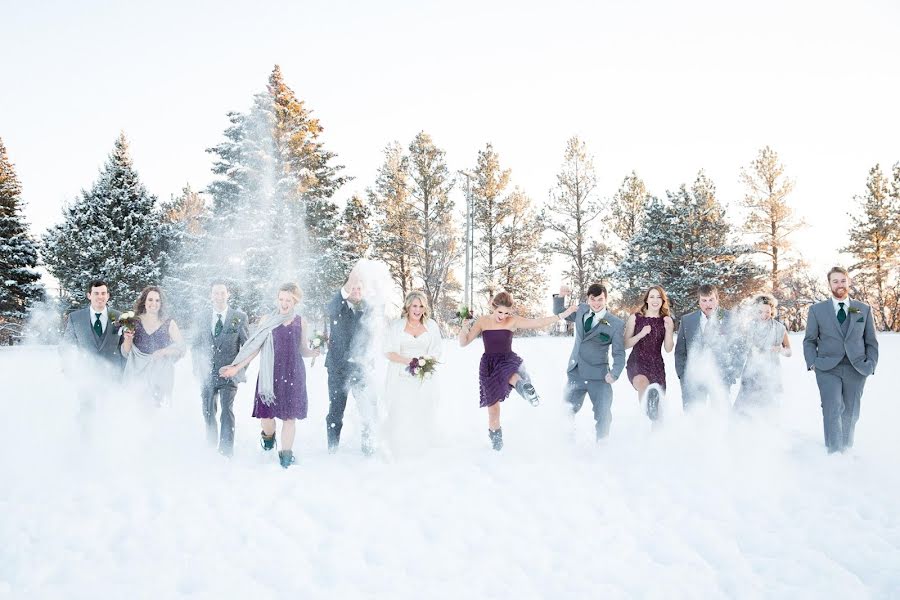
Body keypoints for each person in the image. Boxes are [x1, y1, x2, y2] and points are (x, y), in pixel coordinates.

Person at [459, 291, 577, 450]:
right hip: (488, 365)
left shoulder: (512, 321)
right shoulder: (482, 321)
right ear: (493, 307)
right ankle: (497, 445)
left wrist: (563, 314)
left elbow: (538, 322)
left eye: (507, 313)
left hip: (507, 360)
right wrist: (464, 327)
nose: (503, 316)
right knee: (493, 411)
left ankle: (526, 389)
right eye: (500, 312)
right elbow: (463, 342)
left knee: (511, 374)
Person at [219, 283, 319, 468]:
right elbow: (254, 346)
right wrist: (236, 367)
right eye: (281, 299)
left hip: (294, 373)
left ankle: (286, 457)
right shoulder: (268, 320)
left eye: (288, 300)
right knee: (267, 419)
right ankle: (268, 436)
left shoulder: (301, 322)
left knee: (290, 418)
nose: (284, 303)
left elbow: (302, 349)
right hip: (270, 374)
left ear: (295, 301)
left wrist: (312, 353)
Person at [803, 267, 879, 453]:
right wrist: (813, 362)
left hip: (857, 367)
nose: (839, 284)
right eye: (835, 281)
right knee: (833, 407)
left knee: (851, 411)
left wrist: (870, 365)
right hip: (827, 367)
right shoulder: (817, 310)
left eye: (843, 280)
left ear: (848, 282)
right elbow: (809, 341)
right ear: (829, 284)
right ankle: (834, 451)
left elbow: (871, 341)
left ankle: (846, 450)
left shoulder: (862, 309)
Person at [553, 283, 626, 441]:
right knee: (567, 411)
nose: (596, 303)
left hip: (599, 376)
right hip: (576, 371)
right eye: (593, 299)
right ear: (588, 299)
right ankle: (566, 443)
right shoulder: (580, 310)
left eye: (600, 299)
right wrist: (561, 296)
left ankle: (602, 445)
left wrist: (615, 373)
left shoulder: (616, 324)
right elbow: (559, 312)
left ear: (606, 299)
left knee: (603, 414)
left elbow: (619, 353)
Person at [381, 290, 443, 459]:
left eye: (421, 306)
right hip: (401, 375)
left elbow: (437, 350)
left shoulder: (431, 326)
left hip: (424, 376)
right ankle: (400, 447)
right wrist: (409, 361)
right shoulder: (397, 326)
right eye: (414, 306)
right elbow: (387, 352)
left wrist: (425, 362)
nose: (417, 309)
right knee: (402, 411)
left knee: (423, 409)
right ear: (408, 306)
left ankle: (421, 448)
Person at [191, 281, 249, 457]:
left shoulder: (239, 318)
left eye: (222, 293)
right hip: (206, 372)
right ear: (211, 295)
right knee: (208, 410)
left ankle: (226, 451)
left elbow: (247, 347)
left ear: (228, 294)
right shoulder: (201, 317)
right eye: (215, 293)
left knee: (226, 410)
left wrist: (237, 370)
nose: (219, 296)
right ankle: (210, 445)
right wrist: (197, 368)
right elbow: (195, 345)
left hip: (228, 374)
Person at [325, 268, 379, 455]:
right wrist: (352, 279)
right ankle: (333, 448)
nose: (356, 291)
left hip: (361, 368)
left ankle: (368, 448)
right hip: (338, 368)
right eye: (353, 288)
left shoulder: (368, 311)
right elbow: (333, 305)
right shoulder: (337, 306)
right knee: (336, 410)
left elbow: (375, 334)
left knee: (367, 408)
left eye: (359, 288)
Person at [60, 279, 124, 428]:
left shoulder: (119, 317)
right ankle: (86, 447)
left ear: (108, 296)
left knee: (112, 417)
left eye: (103, 293)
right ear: (89, 295)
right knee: (87, 417)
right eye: (96, 293)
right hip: (86, 377)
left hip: (113, 377)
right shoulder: (75, 318)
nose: (100, 297)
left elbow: (124, 348)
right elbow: (66, 346)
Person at [673, 284, 736, 411]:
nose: (708, 304)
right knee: (694, 416)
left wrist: (731, 374)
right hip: (693, 377)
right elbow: (680, 351)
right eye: (704, 300)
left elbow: (739, 347)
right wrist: (683, 376)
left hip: (720, 377)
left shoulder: (729, 318)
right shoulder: (687, 320)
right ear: (699, 301)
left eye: (711, 299)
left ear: (717, 299)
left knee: (721, 416)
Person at [121, 286, 185, 407]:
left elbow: (182, 349)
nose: (153, 304)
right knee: (137, 412)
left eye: (157, 300)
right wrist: (128, 339)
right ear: (144, 301)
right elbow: (125, 353)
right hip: (137, 376)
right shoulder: (134, 321)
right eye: (150, 300)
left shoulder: (169, 323)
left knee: (157, 413)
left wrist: (164, 352)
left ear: (161, 303)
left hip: (160, 376)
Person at [733, 294, 791, 413]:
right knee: (746, 406)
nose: (764, 315)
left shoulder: (780, 328)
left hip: (771, 372)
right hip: (751, 371)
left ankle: (767, 428)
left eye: (767, 312)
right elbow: (739, 348)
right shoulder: (748, 327)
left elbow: (789, 352)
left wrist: (779, 349)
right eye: (760, 312)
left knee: (768, 406)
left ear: (772, 311)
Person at [624, 286, 674, 420]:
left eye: (659, 297)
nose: (655, 300)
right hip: (637, 361)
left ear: (663, 301)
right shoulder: (635, 318)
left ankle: (656, 434)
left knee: (659, 410)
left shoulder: (665, 320)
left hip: (656, 365)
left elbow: (668, 349)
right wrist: (640, 334)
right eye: (652, 296)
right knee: (642, 382)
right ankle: (646, 412)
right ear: (646, 300)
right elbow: (625, 344)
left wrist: (669, 330)